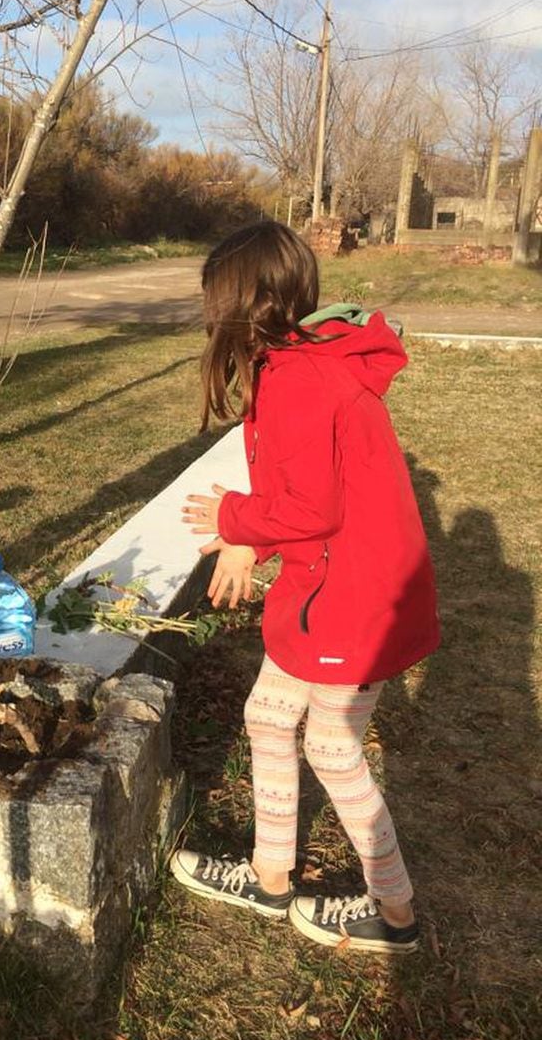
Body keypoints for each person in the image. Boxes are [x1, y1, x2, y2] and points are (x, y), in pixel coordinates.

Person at [170, 221, 438, 954]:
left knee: (329, 746)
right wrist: (248, 539)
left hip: (354, 604)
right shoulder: (305, 363)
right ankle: (269, 876)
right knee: (266, 715)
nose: (205, 316)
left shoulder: (296, 382)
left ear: (240, 302)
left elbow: (309, 508)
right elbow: (309, 488)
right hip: (334, 588)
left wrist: (230, 518)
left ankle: (394, 910)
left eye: (210, 300)